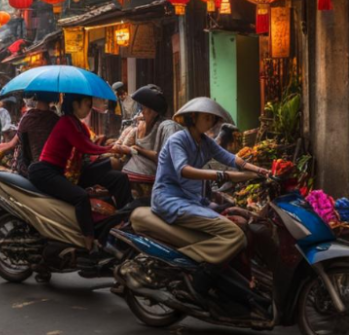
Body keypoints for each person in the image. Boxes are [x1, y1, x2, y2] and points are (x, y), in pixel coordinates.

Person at [146, 98, 268, 290]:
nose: (210, 122)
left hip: (194, 200)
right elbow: (183, 169)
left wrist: (261, 171)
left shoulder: (205, 142)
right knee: (233, 234)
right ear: (192, 117)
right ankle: (196, 270)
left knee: (240, 219)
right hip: (170, 199)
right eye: (206, 117)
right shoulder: (177, 139)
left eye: (213, 119)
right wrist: (223, 174)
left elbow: (231, 158)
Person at [27, 94, 131, 256]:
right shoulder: (66, 123)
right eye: (87, 104)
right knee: (81, 197)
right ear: (75, 104)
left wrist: (107, 143)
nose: (90, 108)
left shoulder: (79, 125)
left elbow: (91, 143)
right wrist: (112, 149)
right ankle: (88, 240)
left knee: (119, 178)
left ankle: (126, 222)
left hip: (66, 171)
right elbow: (85, 146)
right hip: (45, 172)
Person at [116, 85, 183, 187]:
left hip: (150, 179)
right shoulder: (142, 126)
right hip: (130, 174)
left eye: (144, 108)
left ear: (154, 111)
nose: (142, 112)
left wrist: (138, 149)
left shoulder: (168, 127)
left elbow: (166, 158)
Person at [8, 92, 60, 177]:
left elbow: (16, 142)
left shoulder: (28, 118)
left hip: (29, 170)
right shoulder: (56, 120)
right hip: (52, 170)